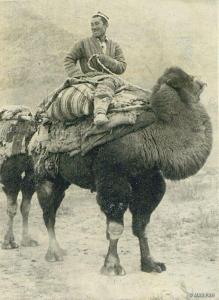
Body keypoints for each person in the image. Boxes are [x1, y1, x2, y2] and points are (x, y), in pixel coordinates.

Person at [64, 12, 127, 125]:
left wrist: (106, 60)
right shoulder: (83, 43)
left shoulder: (114, 45)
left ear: (105, 25)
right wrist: (78, 75)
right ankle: (100, 113)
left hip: (111, 80)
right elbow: (69, 59)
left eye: (97, 24)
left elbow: (122, 67)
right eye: (91, 24)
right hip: (90, 79)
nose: (93, 27)